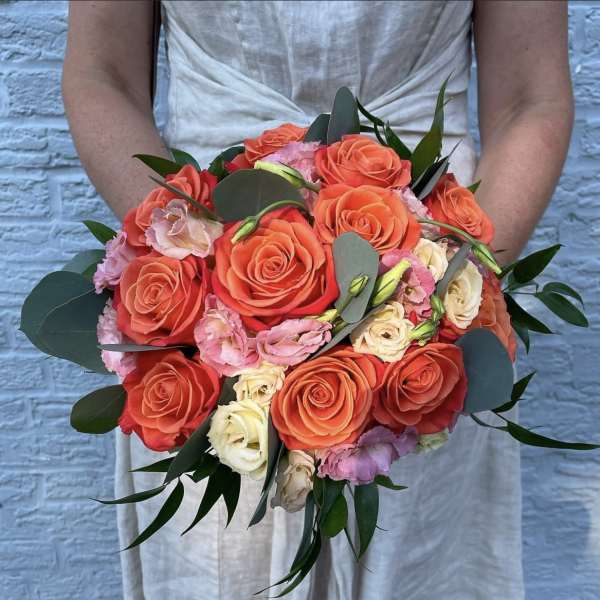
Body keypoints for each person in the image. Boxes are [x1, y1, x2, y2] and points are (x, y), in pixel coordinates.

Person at [62, 2, 573, 599]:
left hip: (429, 281)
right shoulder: (199, 292)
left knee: (419, 566)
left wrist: (444, 288)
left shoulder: (434, 303)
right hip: (204, 310)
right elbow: (105, 75)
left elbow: (529, 99)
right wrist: (191, 265)